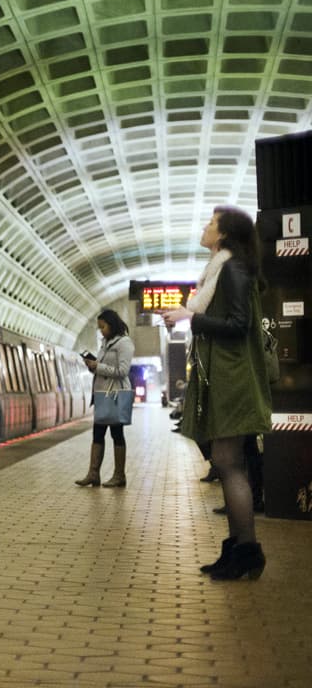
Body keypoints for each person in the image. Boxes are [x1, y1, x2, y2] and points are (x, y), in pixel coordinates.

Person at [162, 205, 272, 580]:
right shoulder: (219, 269)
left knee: (228, 461)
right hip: (224, 376)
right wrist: (187, 316)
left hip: (234, 379)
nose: (205, 227)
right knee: (226, 462)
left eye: (211, 223)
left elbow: (239, 324)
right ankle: (237, 547)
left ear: (223, 234)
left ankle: (248, 551)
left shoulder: (234, 268)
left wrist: (191, 318)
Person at [77, 309, 134, 488]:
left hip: (115, 395)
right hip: (102, 395)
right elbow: (103, 367)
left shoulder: (124, 343)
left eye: (103, 327)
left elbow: (123, 371)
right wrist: (93, 366)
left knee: (117, 434)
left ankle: (119, 475)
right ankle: (93, 474)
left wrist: (99, 367)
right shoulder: (105, 343)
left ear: (112, 324)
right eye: (99, 327)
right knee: (97, 433)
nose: (101, 331)